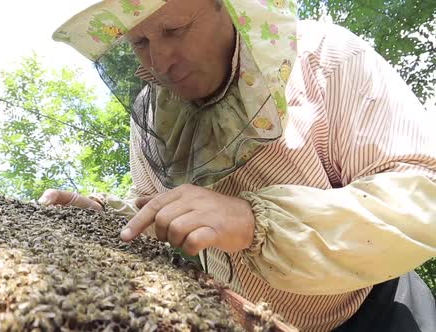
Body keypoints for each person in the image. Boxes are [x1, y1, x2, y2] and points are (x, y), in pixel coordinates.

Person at [42, 0, 436, 330]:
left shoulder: (322, 56)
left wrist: (254, 221)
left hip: (377, 313)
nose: (159, 61)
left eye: (174, 29)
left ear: (230, 7)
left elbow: (421, 197)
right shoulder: (151, 110)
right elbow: (159, 216)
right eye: (140, 42)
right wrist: (104, 219)